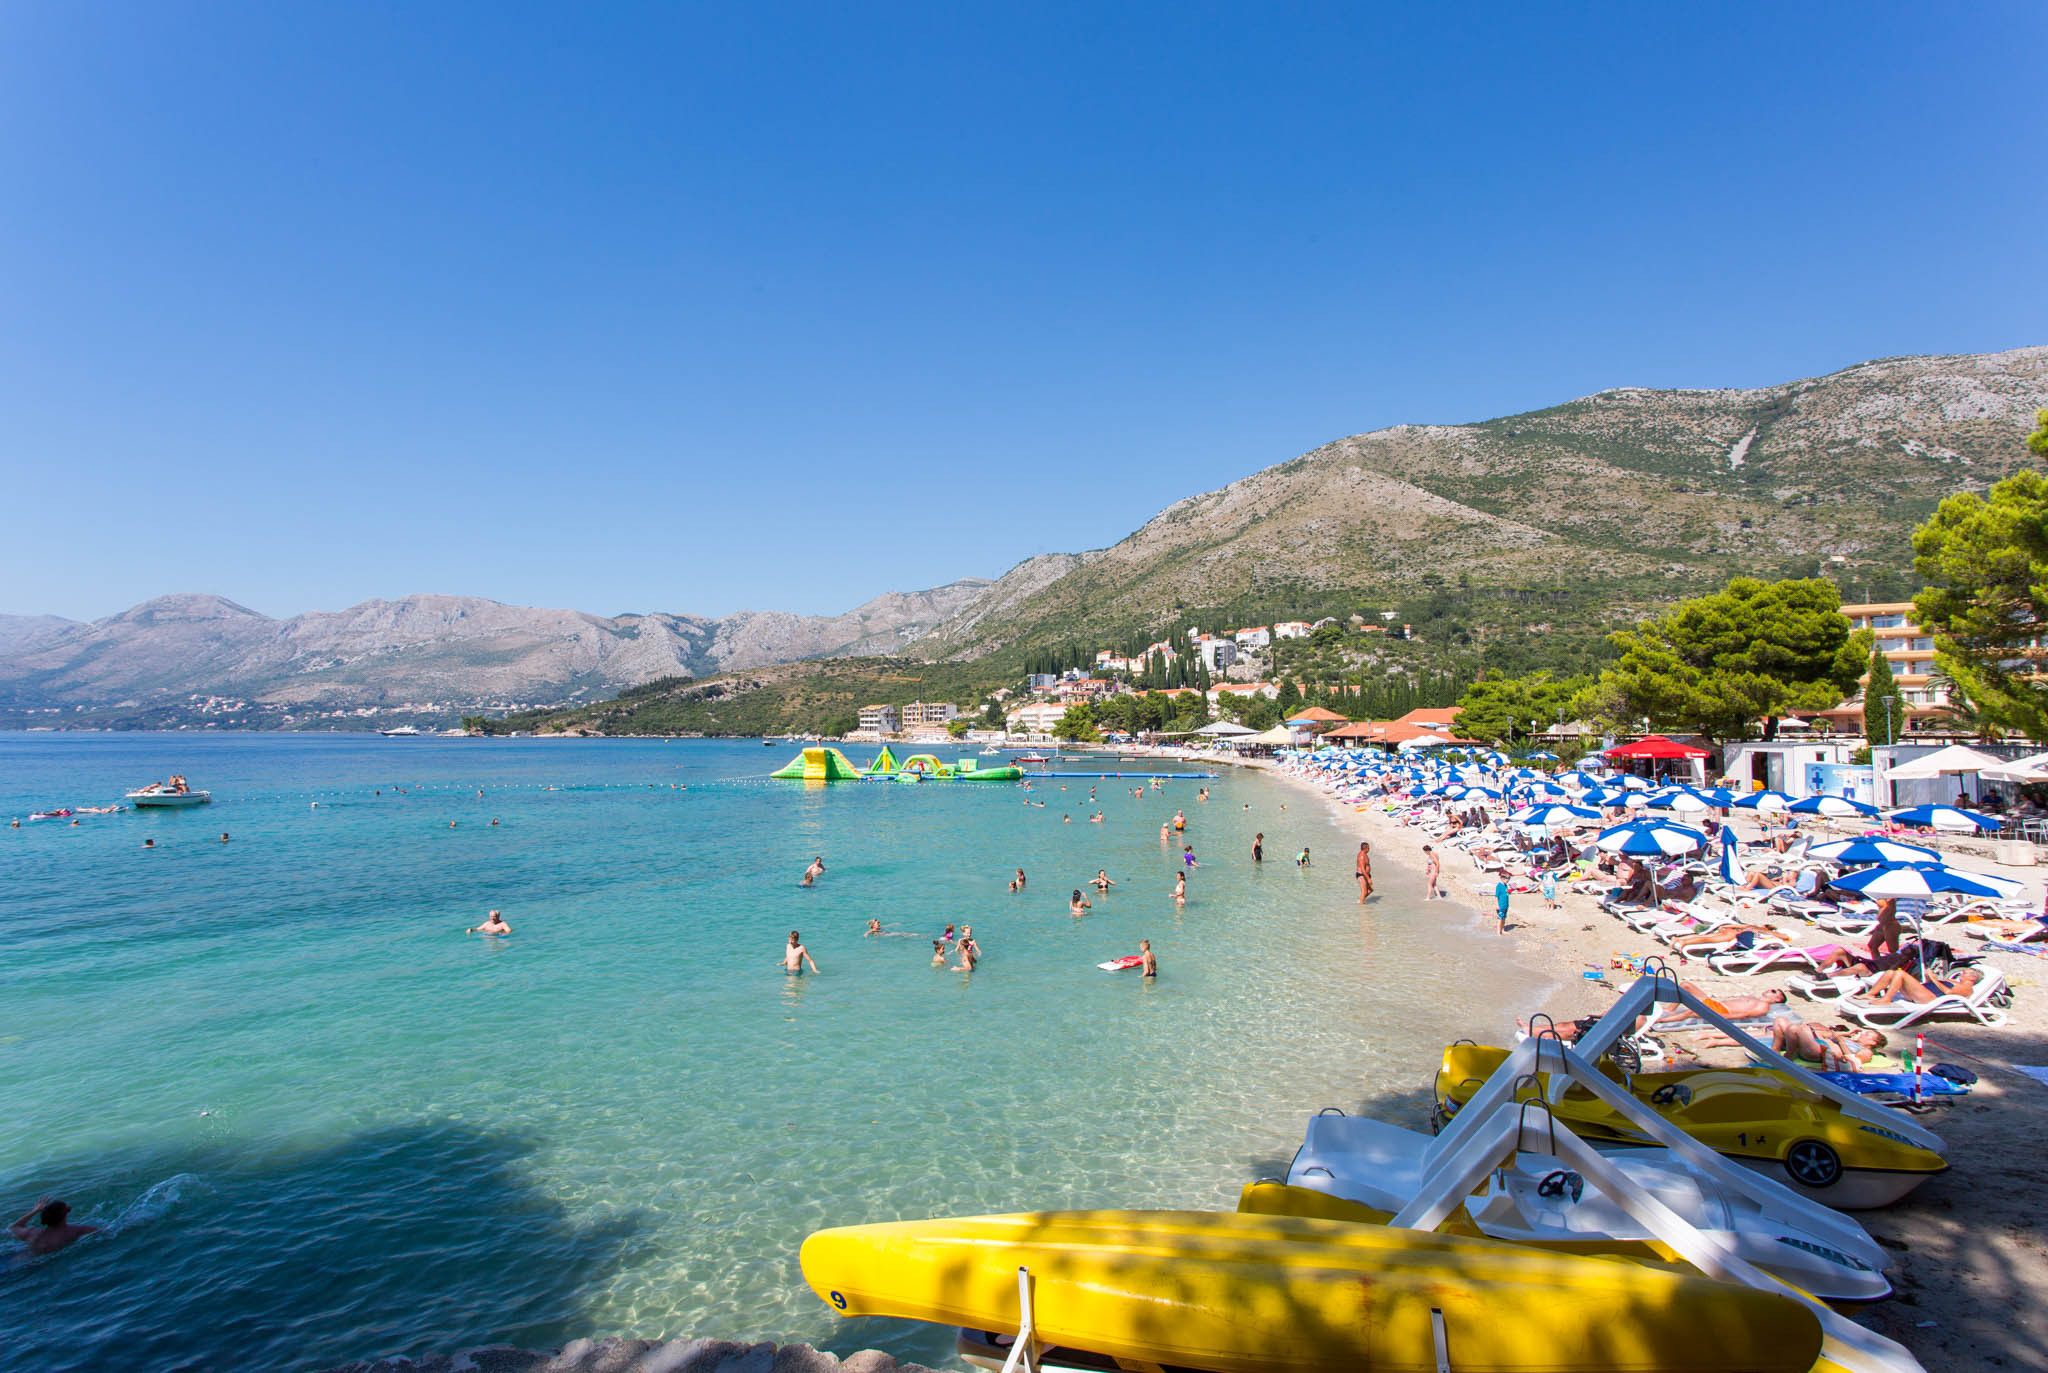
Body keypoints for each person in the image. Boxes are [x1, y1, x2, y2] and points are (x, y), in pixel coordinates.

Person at [11, 1198, 96, 1256]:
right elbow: (105, 1232)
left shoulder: (31, 1232)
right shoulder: (76, 1230)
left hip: (18, 1261)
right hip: (40, 1266)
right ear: (67, 1212)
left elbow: (14, 1227)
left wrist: (35, 1210)